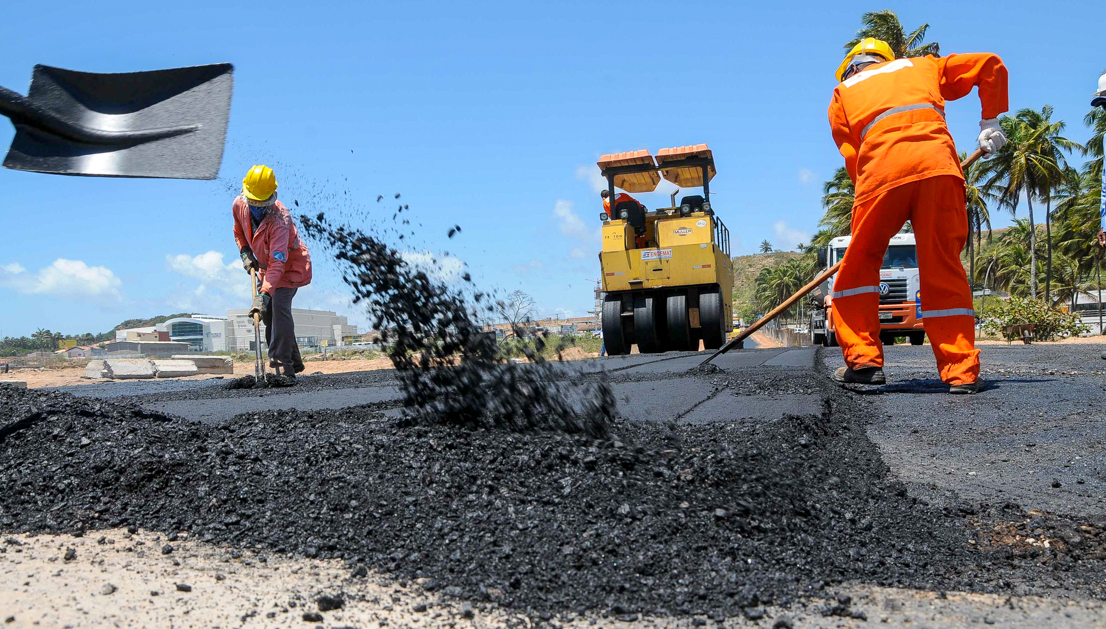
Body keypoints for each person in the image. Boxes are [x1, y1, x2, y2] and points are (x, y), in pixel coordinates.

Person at [826, 38, 1008, 394]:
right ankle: (961, 372)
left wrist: (874, 201)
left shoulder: (843, 92)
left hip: (881, 174)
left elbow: (853, 157)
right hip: (938, 167)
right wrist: (990, 121)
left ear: (851, 67)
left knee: (859, 264)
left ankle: (864, 364)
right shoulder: (923, 65)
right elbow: (989, 64)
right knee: (943, 265)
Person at [233, 165, 313, 385]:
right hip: (266, 268)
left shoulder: (280, 220)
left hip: (289, 268)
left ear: (271, 198)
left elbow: (278, 264)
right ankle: (294, 360)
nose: (258, 209)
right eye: (254, 204)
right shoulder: (239, 205)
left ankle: (282, 366)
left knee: (277, 308)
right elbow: (238, 231)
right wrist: (245, 252)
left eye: (263, 204)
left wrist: (265, 294)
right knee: (267, 315)